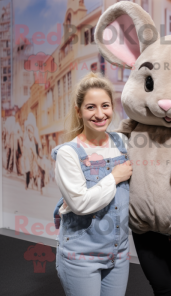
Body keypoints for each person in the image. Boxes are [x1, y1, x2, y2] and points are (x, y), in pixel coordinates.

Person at [52, 72, 132, 296]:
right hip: (81, 256)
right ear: (78, 111)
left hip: (119, 251)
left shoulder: (122, 142)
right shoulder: (68, 153)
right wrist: (115, 177)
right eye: (90, 107)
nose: (100, 114)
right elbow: (81, 204)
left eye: (105, 105)